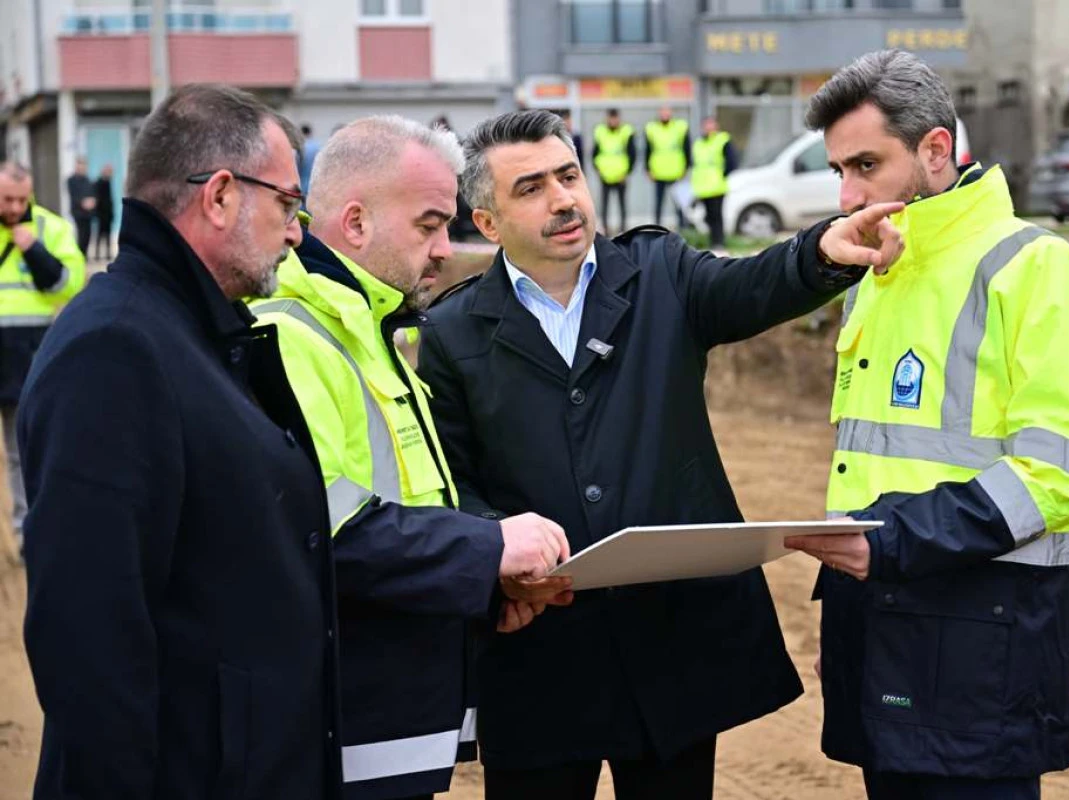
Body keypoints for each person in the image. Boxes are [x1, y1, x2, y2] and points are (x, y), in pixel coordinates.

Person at [418, 108, 905, 800]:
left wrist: (822, 251)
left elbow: (751, 287)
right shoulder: (453, 329)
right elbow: (448, 480)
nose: (563, 200)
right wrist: (496, 552)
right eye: (530, 189)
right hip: (540, 657)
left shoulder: (659, 272)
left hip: (668, 647)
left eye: (568, 176)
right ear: (488, 222)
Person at [783, 50, 1069, 800]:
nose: (846, 193)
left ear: (935, 149)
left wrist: (893, 543)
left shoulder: (1039, 270)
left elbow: (1065, 473)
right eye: (838, 170)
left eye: (865, 164)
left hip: (984, 649)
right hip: (890, 629)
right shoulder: (880, 271)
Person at [19, 83, 341, 800]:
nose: (297, 233)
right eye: (289, 204)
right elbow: (89, 641)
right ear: (221, 195)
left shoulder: (191, 331)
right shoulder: (115, 348)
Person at [251, 115, 573, 800]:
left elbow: (412, 509)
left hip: (387, 717)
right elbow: (325, 532)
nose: (444, 250)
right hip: (345, 724)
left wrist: (485, 590)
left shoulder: (376, 331)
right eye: (429, 224)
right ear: (356, 223)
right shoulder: (292, 339)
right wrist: (488, 549)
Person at [0, 162, 85, 554]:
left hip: (26, 360)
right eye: (7, 199)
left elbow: (69, 287)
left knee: (22, 454)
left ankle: (24, 530)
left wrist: (33, 249)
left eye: (22, 199)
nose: (16, 206)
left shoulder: (49, 228)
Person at [691, 116, 736, 248]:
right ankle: (712, 241)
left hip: (716, 185)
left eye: (711, 125)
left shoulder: (722, 140)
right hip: (702, 187)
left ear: (716, 126)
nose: (708, 128)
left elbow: (732, 161)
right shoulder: (698, 143)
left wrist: (722, 175)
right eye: (706, 125)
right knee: (708, 217)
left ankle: (719, 242)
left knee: (717, 216)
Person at [644, 105, 691, 228]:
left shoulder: (680, 127)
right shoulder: (652, 128)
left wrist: (686, 167)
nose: (665, 114)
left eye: (667, 112)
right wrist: (648, 169)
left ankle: (683, 227)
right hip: (658, 172)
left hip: (676, 172)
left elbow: (687, 149)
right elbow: (647, 150)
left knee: (679, 202)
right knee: (659, 203)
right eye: (662, 112)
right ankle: (657, 227)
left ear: (671, 113)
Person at [591, 108, 635, 235]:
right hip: (605, 176)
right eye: (611, 118)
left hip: (621, 176)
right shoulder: (600, 132)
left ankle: (623, 229)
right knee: (605, 205)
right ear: (607, 118)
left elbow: (632, 154)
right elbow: (594, 154)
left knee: (622, 204)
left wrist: (627, 173)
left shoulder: (626, 132)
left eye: (615, 118)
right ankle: (605, 229)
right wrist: (598, 170)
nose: (613, 121)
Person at [66, 156, 96, 255]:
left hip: (88, 213)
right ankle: (80, 256)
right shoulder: (71, 180)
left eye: (84, 165)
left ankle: (84, 255)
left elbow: (92, 193)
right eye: (80, 165)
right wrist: (83, 203)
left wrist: (92, 201)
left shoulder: (87, 179)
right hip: (78, 212)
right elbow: (73, 195)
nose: (82, 167)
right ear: (76, 166)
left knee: (88, 235)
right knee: (81, 235)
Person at [93, 163, 116, 260]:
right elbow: (99, 199)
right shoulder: (99, 183)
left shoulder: (108, 182)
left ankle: (107, 253)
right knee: (99, 235)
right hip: (101, 214)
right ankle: (97, 254)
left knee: (107, 235)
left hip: (108, 214)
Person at [299, 122, 321, 196]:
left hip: (301, 183)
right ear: (310, 133)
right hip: (315, 182)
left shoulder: (299, 147)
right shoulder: (317, 146)